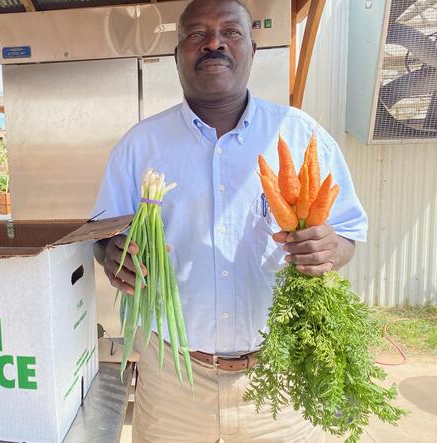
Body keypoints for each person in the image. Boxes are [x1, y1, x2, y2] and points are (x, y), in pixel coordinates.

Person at [92, 0, 367, 441]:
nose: (214, 43)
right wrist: (112, 254)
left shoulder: (301, 134)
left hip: (276, 377)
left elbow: (349, 232)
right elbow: (103, 236)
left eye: (230, 32)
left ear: (252, 50)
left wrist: (332, 248)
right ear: (177, 54)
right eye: (196, 34)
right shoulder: (139, 145)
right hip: (172, 380)